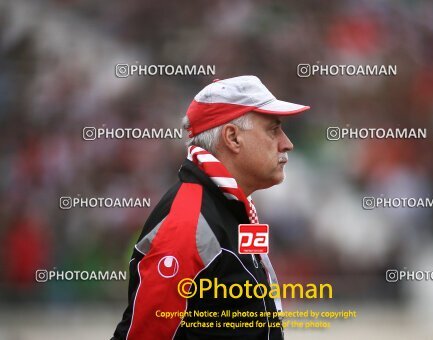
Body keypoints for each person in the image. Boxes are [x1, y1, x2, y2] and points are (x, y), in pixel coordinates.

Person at [112, 75, 310, 340]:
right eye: (273, 130)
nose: (287, 143)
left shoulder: (227, 207)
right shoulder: (189, 223)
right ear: (232, 137)